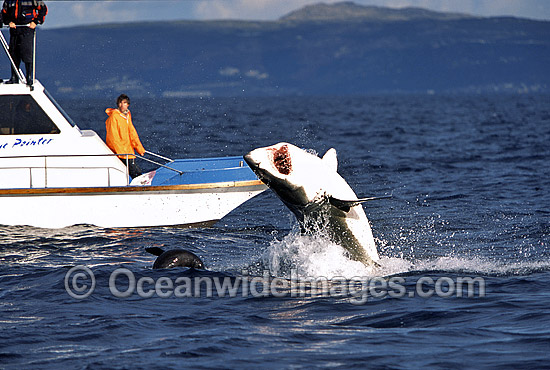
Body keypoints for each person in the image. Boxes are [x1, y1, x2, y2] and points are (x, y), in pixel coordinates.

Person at [2, 0, 47, 86]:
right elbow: (4, 13)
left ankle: (29, 77)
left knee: (27, 52)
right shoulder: (9, 1)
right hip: (14, 29)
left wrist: (36, 21)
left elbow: (43, 9)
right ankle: (14, 77)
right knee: (13, 53)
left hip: (27, 28)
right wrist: (8, 22)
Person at [105, 94, 146, 179]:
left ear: (128, 104)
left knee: (136, 172)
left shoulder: (127, 116)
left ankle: (140, 186)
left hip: (128, 151)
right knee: (135, 173)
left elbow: (132, 134)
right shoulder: (114, 117)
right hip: (121, 152)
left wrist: (140, 149)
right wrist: (121, 152)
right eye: (120, 103)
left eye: (124, 103)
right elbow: (113, 137)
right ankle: (140, 187)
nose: (121, 105)